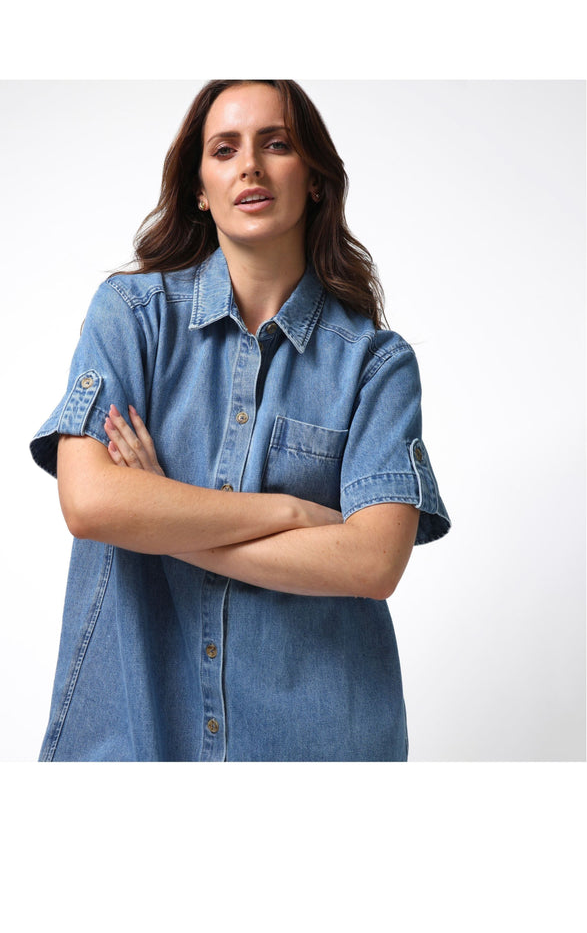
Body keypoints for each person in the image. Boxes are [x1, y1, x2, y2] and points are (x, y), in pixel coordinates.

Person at [30, 79, 450, 762]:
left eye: (275, 144)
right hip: (136, 736)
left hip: (316, 747)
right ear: (200, 187)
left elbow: (373, 562)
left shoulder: (375, 364)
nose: (249, 165)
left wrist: (161, 519)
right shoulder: (130, 317)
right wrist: (290, 512)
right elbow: (91, 503)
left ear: (312, 177)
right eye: (224, 149)